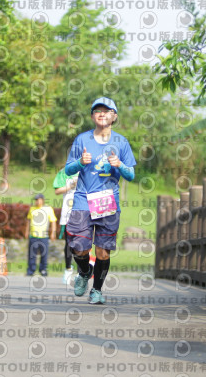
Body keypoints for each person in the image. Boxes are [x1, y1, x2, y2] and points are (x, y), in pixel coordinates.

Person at [64, 97, 136, 304]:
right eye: (97, 110)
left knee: (103, 251)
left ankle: (96, 290)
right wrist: (80, 162)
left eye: (107, 111)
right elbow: (68, 170)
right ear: (92, 116)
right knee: (78, 246)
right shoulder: (82, 140)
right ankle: (85, 271)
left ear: (114, 116)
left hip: (108, 201)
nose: (102, 113)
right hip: (83, 200)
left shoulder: (122, 142)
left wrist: (120, 165)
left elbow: (131, 175)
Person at [53, 168, 78, 283]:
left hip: (84, 213)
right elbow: (57, 191)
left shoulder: (88, 168)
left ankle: (81, 272)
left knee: (83, 243)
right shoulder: (65, 171)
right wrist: (72, 185)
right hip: (68, 213)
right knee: (69, 243)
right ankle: (68, 269)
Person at [24, 193, 57, 277]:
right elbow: (28, 220)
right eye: (36, 200)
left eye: (38, 200)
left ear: (42, 200)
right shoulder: (32, 209)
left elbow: (53, 221)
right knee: (32, 254)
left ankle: (43, 270)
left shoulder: (48, 209)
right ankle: (31, 270)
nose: (37, 202)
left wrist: (53, 233)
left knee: (44, 254)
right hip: (33, 235)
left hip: (44, 236)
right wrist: (27, 231)